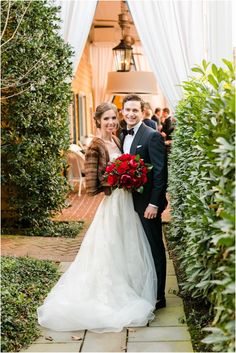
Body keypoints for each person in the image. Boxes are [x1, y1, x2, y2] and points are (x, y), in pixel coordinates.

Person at [37, 102, 157, 332]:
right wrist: (117, 178)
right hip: (112, 204)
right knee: (109, 247)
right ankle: (107, 293)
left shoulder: (117, 139)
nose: (111, 122)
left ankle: (129, 285)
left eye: (113, 118)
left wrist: (130, 175)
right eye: (106, 119)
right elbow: (92, 185)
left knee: (126, 245)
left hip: (126, 202)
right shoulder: (95, 146)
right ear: (99, 121)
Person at [121, 94, 167, 310]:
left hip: (147, 204)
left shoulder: (152, 136)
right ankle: (142, 288)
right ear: (123, 111)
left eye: (135, 110)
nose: (131, 114)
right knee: (137, 247)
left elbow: (160, 172)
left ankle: (159, 297)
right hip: (127, 202)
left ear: (142, 113)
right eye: (127, 110)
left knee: (154, 247)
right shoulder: (122, 135)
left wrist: (155, 204)